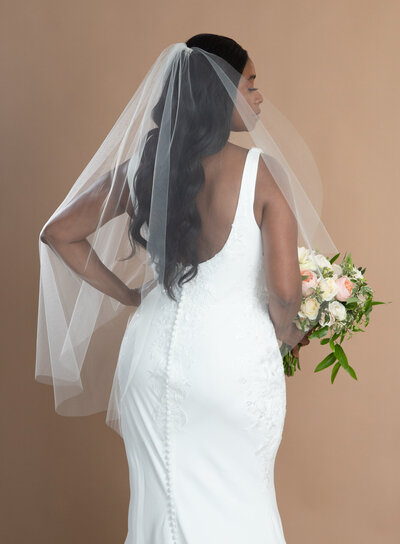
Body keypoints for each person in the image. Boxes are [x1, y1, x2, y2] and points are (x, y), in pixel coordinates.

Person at [37, 33, 335, 543]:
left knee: (161, 509)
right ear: (220, 92)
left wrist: (132, 297)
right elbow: (285, 296)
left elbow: (58, 232)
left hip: (148, 363)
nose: (260, 96)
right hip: (229, 366)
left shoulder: (146, 170)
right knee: (241, 507)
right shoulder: (263, 173)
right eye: (250, 83)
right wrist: (290, 334)